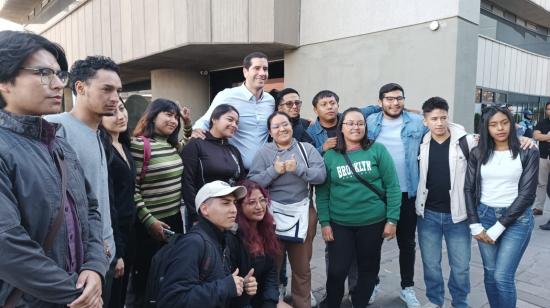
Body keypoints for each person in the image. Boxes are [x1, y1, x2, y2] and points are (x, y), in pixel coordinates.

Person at [0, 30, 105, 308]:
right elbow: (6, 244)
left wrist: (95, 267)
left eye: (60, 74)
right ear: (4, 82)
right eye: (44, 73)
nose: (58, 84)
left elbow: (91, 209)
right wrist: (78, 294)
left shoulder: (58, 145)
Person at [45, 55, 120, 304]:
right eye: (106, 89)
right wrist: (93, 246)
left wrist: (108, 245)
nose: (115, 98)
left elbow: (98, 199)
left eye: (118, 91)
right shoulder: (55, 127)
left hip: (101, 255)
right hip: (75, 262)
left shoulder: (100, 135)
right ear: (80, 87)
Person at [316, 107, 401, 308]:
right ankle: (332, 303)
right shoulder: (330, 156)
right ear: (341, 127)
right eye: (351, 123)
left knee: (368, 269)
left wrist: (392, 219)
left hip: (373, 222)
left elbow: (392, 186)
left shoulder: (377, 150)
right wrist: (325, 222)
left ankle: (360, 303)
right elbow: (322, 193)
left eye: (360, 123)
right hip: (340, 223)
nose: (356, 127)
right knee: (337, 270)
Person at [306, 90, 381, 304]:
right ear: (316, 109)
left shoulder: (353, 121)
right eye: (324, 104)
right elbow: (312, 164)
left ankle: (357, 293)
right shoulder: (311, 132)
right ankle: (334, 295)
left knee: (363, 259)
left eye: (333, 103)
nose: (330, 107)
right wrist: (323, 148)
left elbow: (375, 107)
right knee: (337, 259)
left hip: (368, 215)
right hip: (336, 208)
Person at [248, 111, 326, 308]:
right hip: (271, 217)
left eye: (285, 124)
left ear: (292, 126)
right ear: (270, 132)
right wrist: (275, 171)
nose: (282, 129)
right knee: (271, 266)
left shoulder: (306, 149)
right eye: (276, 126)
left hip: (302, 214)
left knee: (302, 268)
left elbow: (320, 176)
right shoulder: (264, 152)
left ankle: (303, 303)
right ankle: (273, 301)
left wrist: (298, 168)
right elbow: (252, 182)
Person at [465, 106, 538, 308]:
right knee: (490, 273)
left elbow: (527, 195)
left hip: (517, 220)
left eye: (504, 122)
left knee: (502, 276)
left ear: (512, 123)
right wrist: (475, 224)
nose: (500, 128)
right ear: (486, 128)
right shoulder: (478, 152)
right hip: (485, 215)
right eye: (493, 124)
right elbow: (468, 189)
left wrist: (499, 227)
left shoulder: (527, 150)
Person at [366, 83, 426, 307]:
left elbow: (444, 128)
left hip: (407, 192)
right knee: (373, 243)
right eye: (389, 99)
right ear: (380, 101)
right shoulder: (371, 122)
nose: (395, 103)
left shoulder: (417, 122)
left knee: (407, 243)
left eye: (399, 98)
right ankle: (372, 283)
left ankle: (407, 288)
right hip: (377, 194)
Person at [416, 97, 477, 308]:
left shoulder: (466, 141)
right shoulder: (421, 143)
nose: (439, 123)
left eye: (443, 117)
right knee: (431, 265)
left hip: (458, 215)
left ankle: (460, 302)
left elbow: (495, 143)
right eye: (434, 119)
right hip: (428, 215)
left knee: (460, 267)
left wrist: (526, 140)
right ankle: (434, 301)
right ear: (425, 121)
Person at [158, 180, 257, 307]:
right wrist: (225, 287)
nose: (234, 210)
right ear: (205, 209)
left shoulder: (223, 239)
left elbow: (221, 298)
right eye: (226, 203)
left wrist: (241, 288)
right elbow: (172, 301)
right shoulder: (193, 244)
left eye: (234, 203)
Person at [130, 98, 188, 307]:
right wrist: (149, 221)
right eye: (168, 115)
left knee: (170, 276)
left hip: (174, 219)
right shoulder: (139, 145)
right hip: (150, 224)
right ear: (153, 116)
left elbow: (186, 144)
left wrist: (188, 125)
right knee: (146, 279)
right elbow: (133, 189)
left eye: (176, 117)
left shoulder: (172, 146)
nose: (174, 120)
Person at [192, 52, 275, 171]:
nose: (262, 73)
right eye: (256, 68)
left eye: (265, 69)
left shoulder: (270, 100)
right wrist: (195, 131)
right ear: (245, 72)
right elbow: (207, 120)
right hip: (235, 172)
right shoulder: (228, 95)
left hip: (264, 171)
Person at [229, 179, 289, 308]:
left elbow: (271, 274)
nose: (259, 206)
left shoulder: (267, 230)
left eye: (262, 200)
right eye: (252, 202)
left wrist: (269, 303)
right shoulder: (233, 237)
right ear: (239, 207)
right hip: (240, 301)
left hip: (262, 297)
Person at [99, 99, 137, 308]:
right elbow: (108, 201)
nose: (120, 116)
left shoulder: (124, 146)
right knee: (111, 296)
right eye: (112, 113)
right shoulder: (103, 149)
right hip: (113, 236)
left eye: (122, 109)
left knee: (122, 294)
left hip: (129, 231)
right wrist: (118, 253)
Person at [181, 104, 246, 223]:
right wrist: (195, 216)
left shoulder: (233, 150)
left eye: (236, 122)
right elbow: (187, 182)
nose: (234, 125)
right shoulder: (196, 144)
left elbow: (241, 181)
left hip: (230, 214)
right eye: (230, 119)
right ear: (214, 119)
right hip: (203, 213)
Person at [532, 102, 550, 217]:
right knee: (541, 183)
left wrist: (544, 137)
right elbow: (536, 136)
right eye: (548, 109)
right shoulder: (542, 122)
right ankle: (538, 208)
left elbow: (540, 136)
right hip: (543, 156)